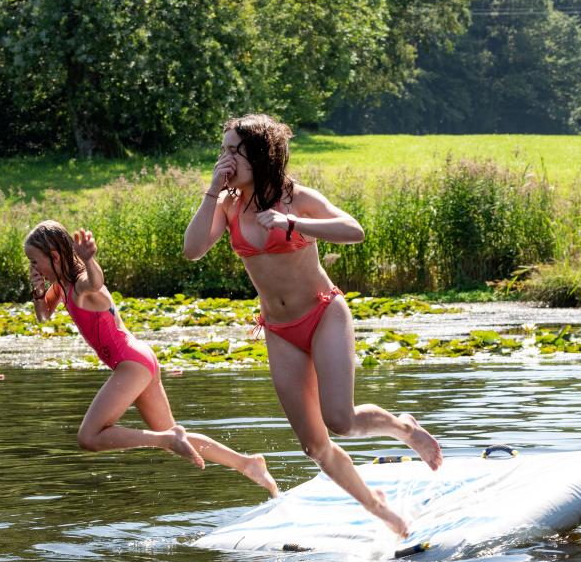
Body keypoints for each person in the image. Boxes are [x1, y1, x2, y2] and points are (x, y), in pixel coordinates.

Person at [182, 114, 442, 537]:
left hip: (323, 314)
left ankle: (403, 428)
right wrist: (212, 190)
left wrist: (293, 224)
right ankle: (386, 514)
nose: (224, 159)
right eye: (223, 149)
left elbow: (353, 230)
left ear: (261, 155)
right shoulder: (228, 205)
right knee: (314, 445)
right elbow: (193, 250)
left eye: (234, 150)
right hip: (279, 330)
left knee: (340, 418)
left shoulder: (295, 198)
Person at [25, 220, 279, 498]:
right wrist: (38, 291)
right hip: (139, 359)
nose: (32, 268)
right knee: (173, 435)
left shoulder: (80, 284)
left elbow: (96, 281)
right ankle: (248, 464)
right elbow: (43, 315)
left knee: (89, 437)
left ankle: (168, 440)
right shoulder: (61, 287)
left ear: (55, 256)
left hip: (130, 362)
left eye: (34, 261)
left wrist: (90, 258)